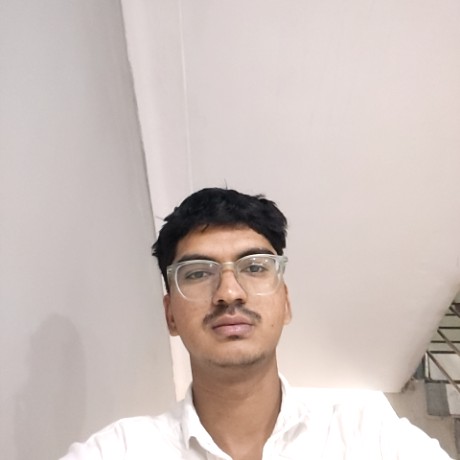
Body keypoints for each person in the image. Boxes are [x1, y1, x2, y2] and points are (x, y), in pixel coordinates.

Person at [60, 187, 453, 460]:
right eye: (197, 273)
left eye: (254, 267)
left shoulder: (371, 438)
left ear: (286, 302)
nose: (229, 292)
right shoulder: (116, 451)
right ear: (170, 315)